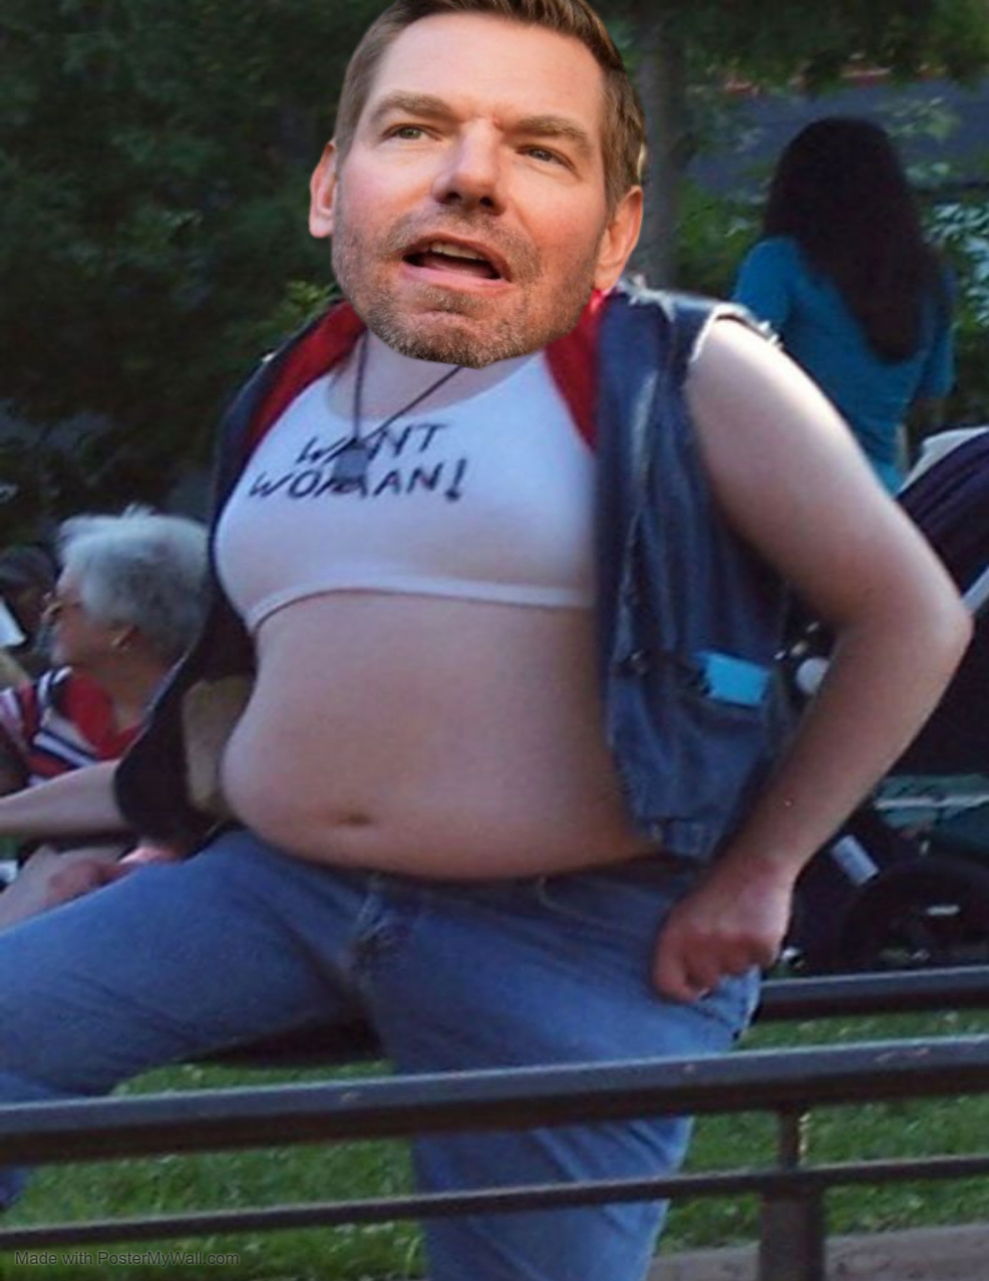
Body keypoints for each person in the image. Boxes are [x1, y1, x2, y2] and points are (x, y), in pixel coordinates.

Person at [0, 5, 970, 1279]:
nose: (469, 175)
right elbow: (255, 658)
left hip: (571, 930)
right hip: (272, 888)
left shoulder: (682, 369)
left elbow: (910, 616)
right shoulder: (286, 387)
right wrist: (167, 834)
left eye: (538, 147)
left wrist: (763, 869)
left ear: (614, 225)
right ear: (330, 188)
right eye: (415, 131)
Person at [0, 508, 208, 927]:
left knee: (85, 853)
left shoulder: (201, 720)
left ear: (122, 630)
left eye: (62, 605)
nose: (47, 617)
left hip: (146, 925)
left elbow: (137, 786)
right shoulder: (60, 695)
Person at [733, 116, 955, 492]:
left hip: (787, 489)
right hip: (884, 494)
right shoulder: (928, 275)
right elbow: (934, 387)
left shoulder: (778, 262)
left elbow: (733, 370)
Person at [0, 543, 57, 682]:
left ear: (45, 590)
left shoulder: (62, 629)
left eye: (16, 591)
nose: (8, 600)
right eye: (2, 591)